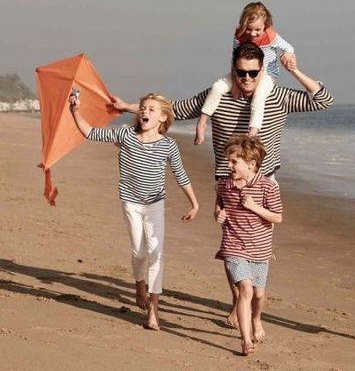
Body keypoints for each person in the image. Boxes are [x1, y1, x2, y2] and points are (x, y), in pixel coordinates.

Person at [112, 42, 333, 326]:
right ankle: (239, 298)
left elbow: (323, 100)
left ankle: (252, 307)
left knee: (257, 248)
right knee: (232, 247)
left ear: (262, 70)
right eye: (242, 73)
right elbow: (178, 108)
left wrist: (295, 70)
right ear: (233, 70)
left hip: (264, 183)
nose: (248, 79)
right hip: (227, 185)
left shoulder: (276, 97)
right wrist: (127, 106)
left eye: (254, 73)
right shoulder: (217, 96)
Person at [69, 91, 199, 331]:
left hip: (155, 204)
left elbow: (181, 175)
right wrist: (75, 111)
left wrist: (194, 203)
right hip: (130, 202)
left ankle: (153, 309)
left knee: (156, 252)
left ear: (162, 117)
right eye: (143, 108)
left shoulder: (168, 146)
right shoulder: (126, 134)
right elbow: (90, 133)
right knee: (139, 251)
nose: (144, 112)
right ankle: (140, 285)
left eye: (151, 109)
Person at [215, 134, 283, 356]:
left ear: (251, 164)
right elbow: (219, 206)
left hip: (260, 248)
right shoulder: (224, 184)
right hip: (234, 245)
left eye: (234, 161)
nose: (229, 165)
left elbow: (277, 217)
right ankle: (245, 341)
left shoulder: (267, 186)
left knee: (259, 294)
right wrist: (219, 214)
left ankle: (256, 318)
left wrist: (254, 206)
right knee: (245, 290)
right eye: (229, 160)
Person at [194, 1, 296, 144]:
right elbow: (234, 57)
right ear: (243, 25)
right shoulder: (239, 34)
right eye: (249, 29)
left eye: (257, 30)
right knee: (217, 87)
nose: (252, 34)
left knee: (259, 97)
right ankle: (202, 122)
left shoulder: (271, 36)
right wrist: (235, 82)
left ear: (265, 25)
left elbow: (289, 48)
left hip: (267, 73)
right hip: (242, 70)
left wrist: (287, 55)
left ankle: (252, 133)